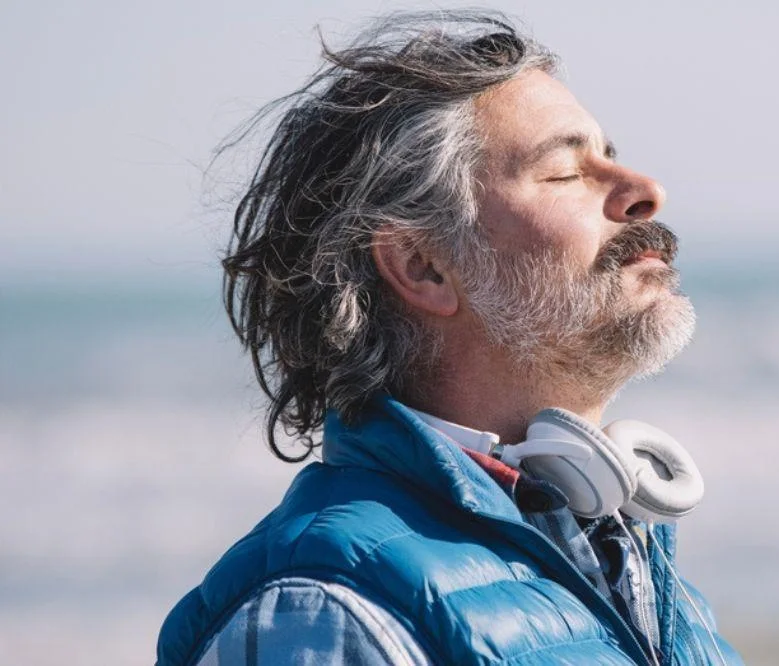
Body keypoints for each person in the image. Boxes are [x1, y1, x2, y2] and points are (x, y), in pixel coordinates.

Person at [156, 10, 742, 666]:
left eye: (609, 154)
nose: (645, 190)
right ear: (423, 267)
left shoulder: (650, 581)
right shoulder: (328, 611)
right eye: (565, 172)